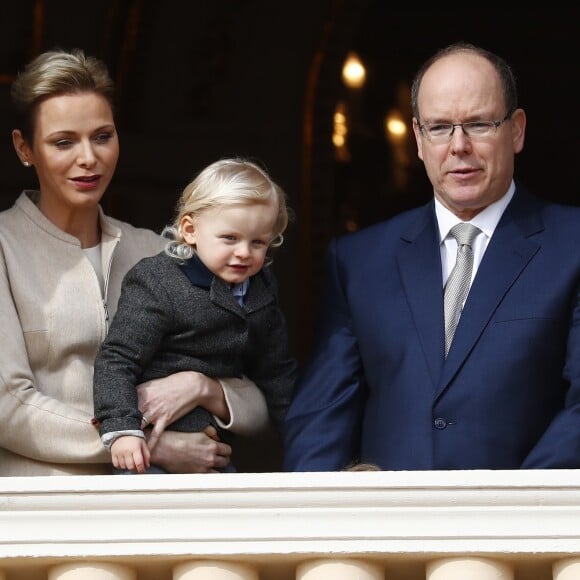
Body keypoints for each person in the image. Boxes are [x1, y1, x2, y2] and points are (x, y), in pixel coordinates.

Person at [284, 41, 580, 471]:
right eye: (440, 127)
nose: (458, 146)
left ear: (516, 131)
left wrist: (513, 512)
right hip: (387, 529)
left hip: (528, 528)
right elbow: (321, 414)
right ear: (419, 139)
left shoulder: (571, 245)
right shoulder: (358, 260)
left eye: (478, 124)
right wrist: (327, 507)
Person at [0, 48, 270, 476]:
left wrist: (202, 387)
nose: (88, 157)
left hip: (158, 515)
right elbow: (7, 407)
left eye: (102, 136)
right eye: (63, 142)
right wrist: (141, 444)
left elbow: (260, 397)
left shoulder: (158, 251)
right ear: (24, 148)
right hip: (43, 513)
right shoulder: (4, 247)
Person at [93, 157, 298, 474]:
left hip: (214, 447)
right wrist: (122, 430)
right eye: (230, 238)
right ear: (190, 230)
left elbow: (277, 373)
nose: (244, 252)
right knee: (147, 512)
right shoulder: (159, 281)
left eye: (258, 242)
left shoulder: (261, 290)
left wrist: (301, 442)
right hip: (151, 443)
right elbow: (118, 357)